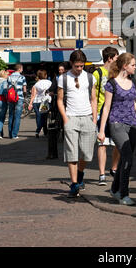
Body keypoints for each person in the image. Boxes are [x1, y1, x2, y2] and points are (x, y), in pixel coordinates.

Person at [98, 53, 136, 206]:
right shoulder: (111, 84)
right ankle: (124, 194)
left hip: (132, 124)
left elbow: (131, 103)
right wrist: (101, 131)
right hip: (116, 123)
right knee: (127, 157)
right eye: (133, 65)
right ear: (125, 66)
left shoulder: (132, 82)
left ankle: (114, 189)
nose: (135, 67)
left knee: (125, 158)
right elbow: (106, 108)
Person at [57, 50, 98, 198]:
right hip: (71, 118)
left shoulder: (90, 77)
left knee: (87, 154)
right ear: (71, 64)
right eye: (77, 66)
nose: (79, 69)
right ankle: (74, 184)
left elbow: (93, 99)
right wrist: (65, 119)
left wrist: (94, 119)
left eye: (81, 66)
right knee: (71, 153)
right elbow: (60, 100)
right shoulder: (63, 78)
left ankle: (80, 175)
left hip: (87, 117)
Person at [94, 46, 120, 186]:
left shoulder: (117, 74)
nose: (117, 60)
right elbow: (92, 94)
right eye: (116, 58)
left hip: (115, 112)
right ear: (110, 58)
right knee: (102, 144)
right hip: (100, 112)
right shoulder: (98, 73)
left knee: (118, 143)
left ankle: (114, 168)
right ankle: (102, 174)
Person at [28, 69, 52, 138]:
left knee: (38, 116)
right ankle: (45, 131)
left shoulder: (36, 84)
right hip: (44, 102)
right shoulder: (49, 82)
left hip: (36, 102)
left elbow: (33, 95)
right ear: (46, 75)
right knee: (44, 117)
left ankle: (38, 130)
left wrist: (30, 103)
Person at [7, 64, 27, 139]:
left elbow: (7, 88)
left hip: (11, 97)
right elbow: (24, 89)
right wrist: (24, 97)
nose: (22, 70)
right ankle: (14, 134)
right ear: (19, 69)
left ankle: (10, 134)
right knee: (17, 116)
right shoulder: (22, 77)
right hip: (19, 97)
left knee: (11, 115)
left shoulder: (9, 77)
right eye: (22, 68)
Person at [0, 70, 9, 139]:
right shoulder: (4, 82)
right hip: (2, 100)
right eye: (7, 75)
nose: (8, 76)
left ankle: (0, 133)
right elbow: (5, 91)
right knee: (2, 118)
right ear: (4, 75)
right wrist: (8, 100)